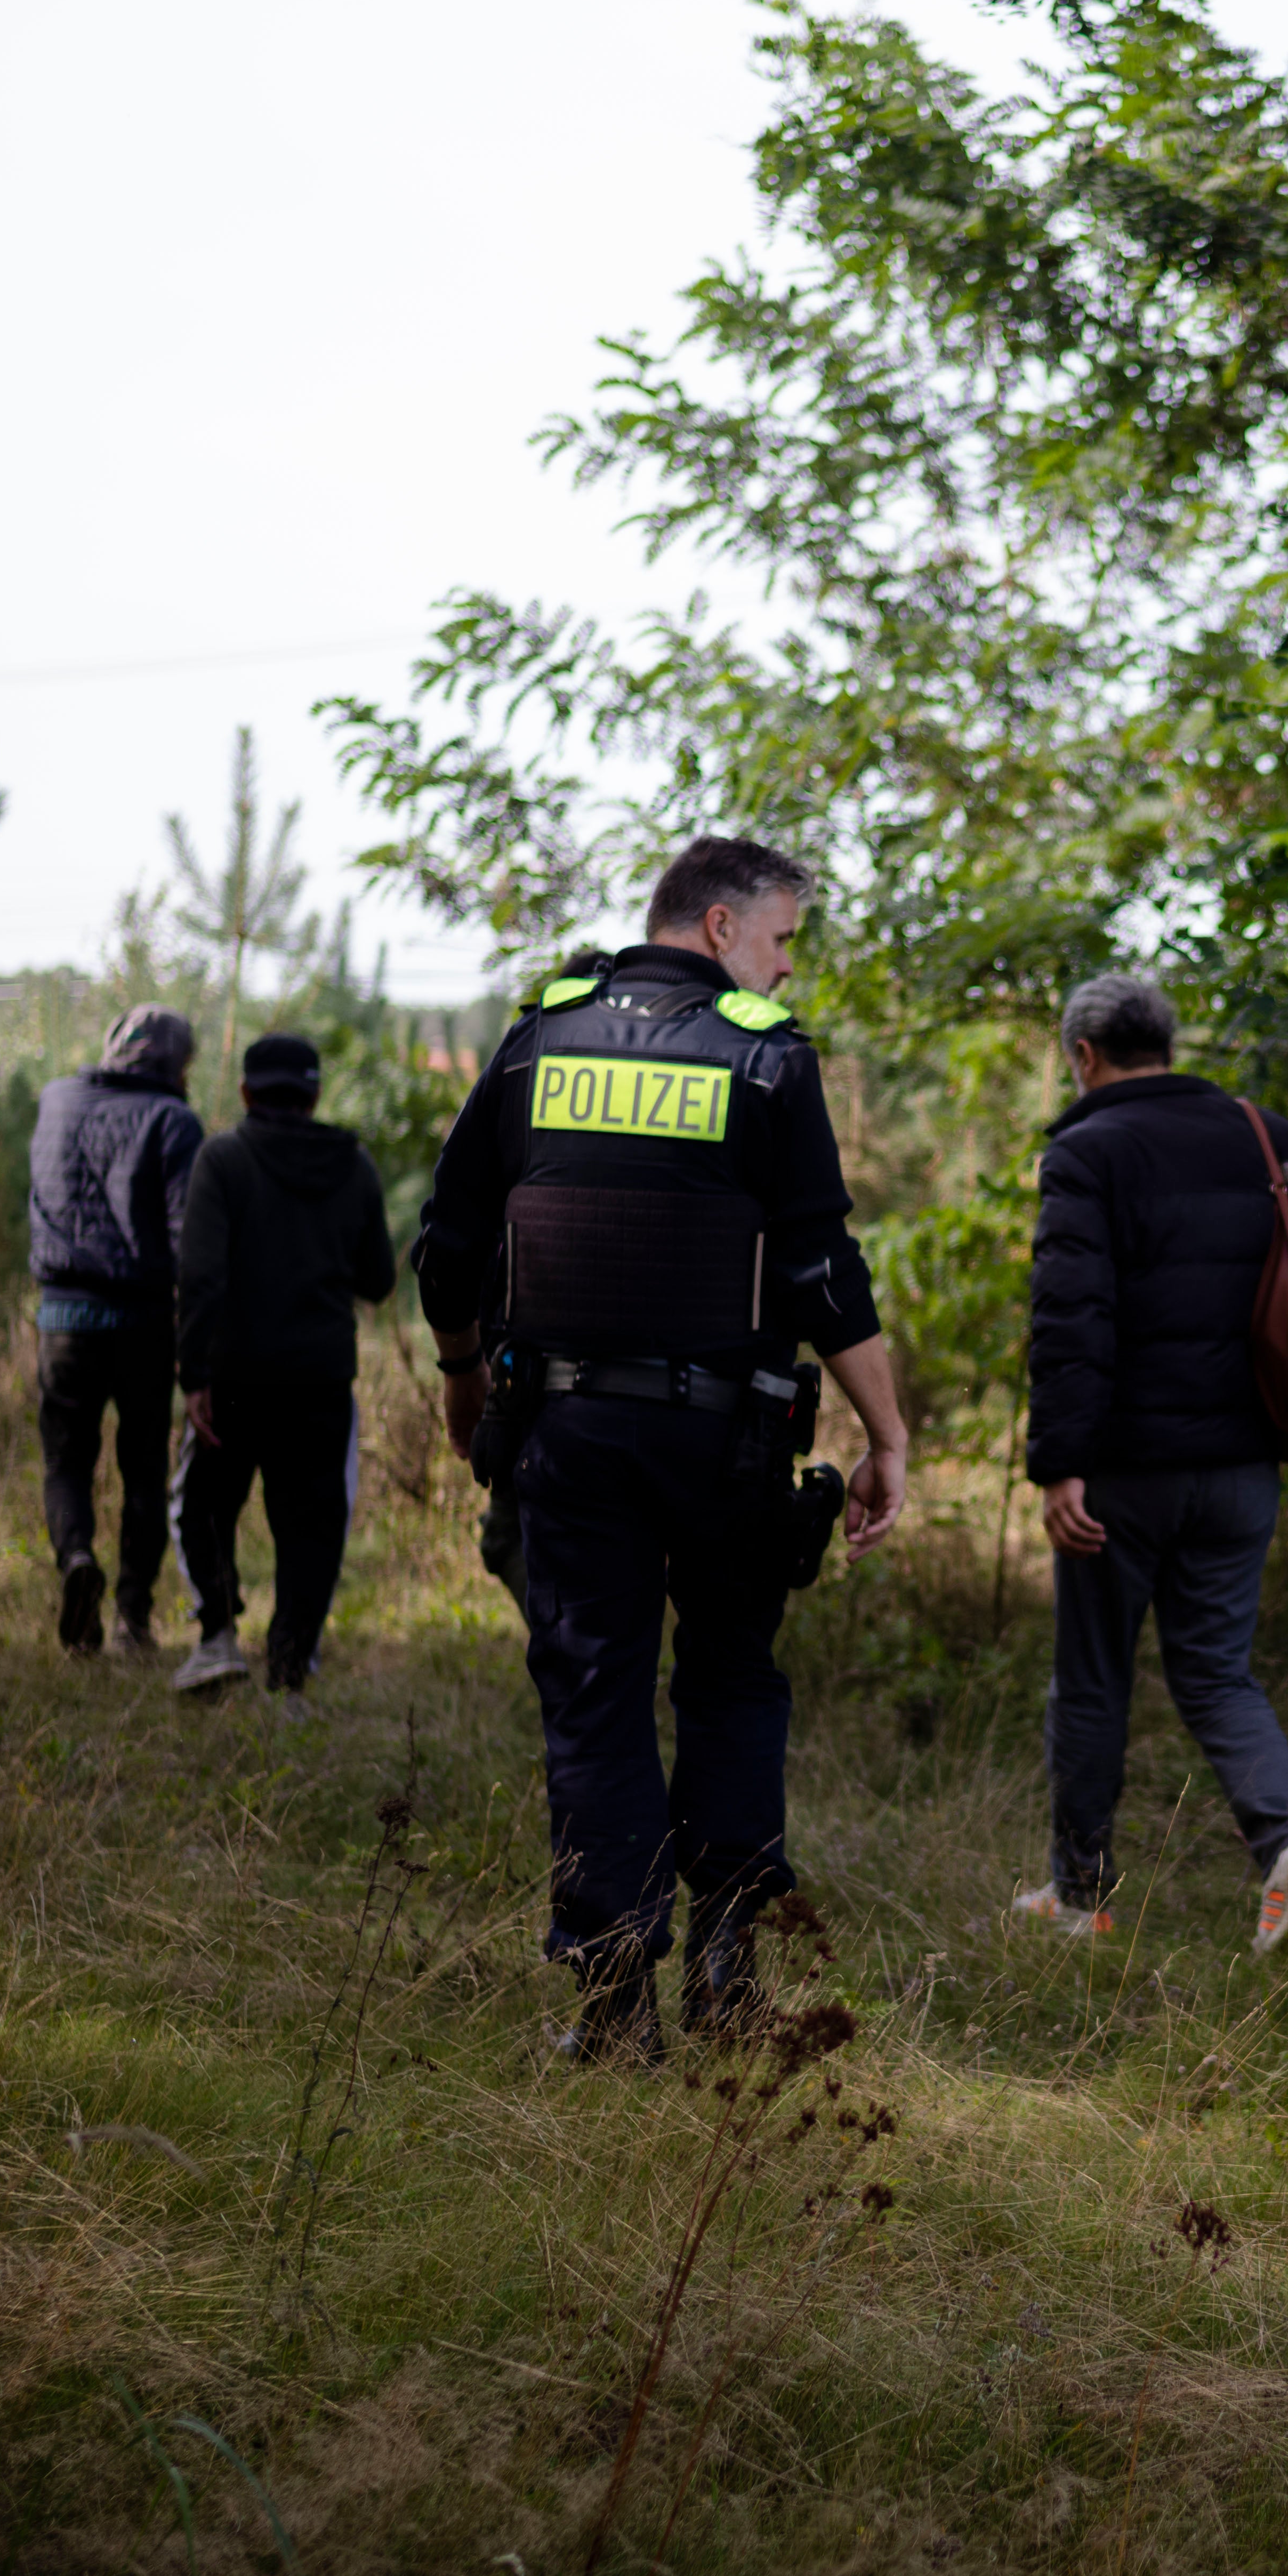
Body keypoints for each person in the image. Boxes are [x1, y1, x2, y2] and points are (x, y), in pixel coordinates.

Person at [416, 836, 908, 2058]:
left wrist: (462, 1374)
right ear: (722, 925)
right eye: (785, 940)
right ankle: (729, 1970)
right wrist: (888, 1431)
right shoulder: (765, 1057)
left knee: (594, 1697)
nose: (791, 969)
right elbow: (817, 1267)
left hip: (571, 1431)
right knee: (733, 1681)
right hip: (727, 1440)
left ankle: (611, 2002)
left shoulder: (541, 1035)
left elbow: (448, 1235)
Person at [1009, 968, 1288, 1952]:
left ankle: (1080, 1898)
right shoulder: (1262, 1135)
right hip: (1243, 1461)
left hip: (1125, 1469)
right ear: (1165, 1042)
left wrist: (1059, 1465)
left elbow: (1071, 1318)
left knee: (1093, 1679)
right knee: (1217, 1674)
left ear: (1083, 1055)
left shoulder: (1087, 1151)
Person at [170, 1032, 396, 1697]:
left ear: (246, 1093)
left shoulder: (223, 1160)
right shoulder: (353, 1166)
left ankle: (217, 1639)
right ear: (316, 1094)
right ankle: (290, 1674)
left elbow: (201, 1275)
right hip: (320, 1382)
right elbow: (380, 1280)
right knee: (313, 1527)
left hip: (234, 1379)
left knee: (206, 1507)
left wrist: (194, 1375)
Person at [29, 1002, 205, 1656]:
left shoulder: (57, 1102)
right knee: (142, 1470)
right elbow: (190, 1239)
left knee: (66, 1462)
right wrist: (199, 1341)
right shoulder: (174, 1121)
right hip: (143, 1321)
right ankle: (133, 1618)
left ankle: (76, 1558)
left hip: (64, 1315)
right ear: (174, 1063)